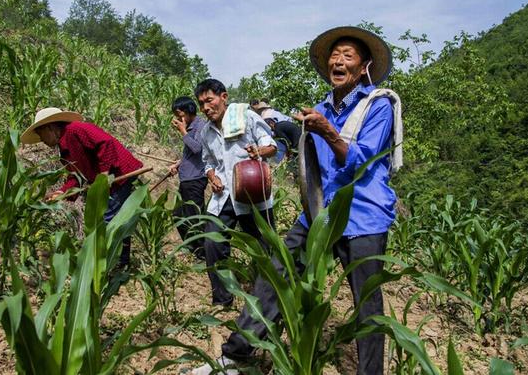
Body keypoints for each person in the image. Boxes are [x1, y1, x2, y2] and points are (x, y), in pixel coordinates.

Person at [192, 26, 398, 375]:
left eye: (348, 55)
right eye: (335, 55)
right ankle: (237, 356)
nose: (338, 60)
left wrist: (328, 132)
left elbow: (362, 160)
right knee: (277, 272)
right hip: (318, 212)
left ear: (363, 67)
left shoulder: (378, 105)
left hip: (362, 213)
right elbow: (302, 158)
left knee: (367, 306)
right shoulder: (320, 108)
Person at [21, 107, 143, 267]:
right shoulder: (64, 150)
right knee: (114, 219)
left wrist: (104, 174)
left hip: (119, 174)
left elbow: (105, 143)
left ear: (49, 127)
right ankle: (118, 262)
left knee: (108, 220)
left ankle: (112, 264)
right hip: (107, 182)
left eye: (40, 133)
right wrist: (61, 193)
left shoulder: (75, 130)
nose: (41, 139)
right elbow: (75, 177)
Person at [195, 78, 278, 307]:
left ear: (224, 97)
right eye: (201, 103)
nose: (205, 107)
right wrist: (212, 177)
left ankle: (269, 299)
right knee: (212, 243)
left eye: (209, 100)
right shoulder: (206, 132)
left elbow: (271, 146)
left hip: (252, 195)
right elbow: (208, 161)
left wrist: (257, 151)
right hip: (223, 197)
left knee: (265, 248)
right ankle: (222, 300)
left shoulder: (247, 117)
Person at [168, 96, 208, 260]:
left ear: (189, 110)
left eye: (180, 113)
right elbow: (191, 154)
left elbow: (198, 149)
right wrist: (178, 164)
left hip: (195, 179)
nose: (178, 118)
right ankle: (194, 248)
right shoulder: (191, 127)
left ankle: (202, 253)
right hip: (187, 179)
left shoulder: (201, 127)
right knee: (178, 214)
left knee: (194, 218)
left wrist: (183, 132)